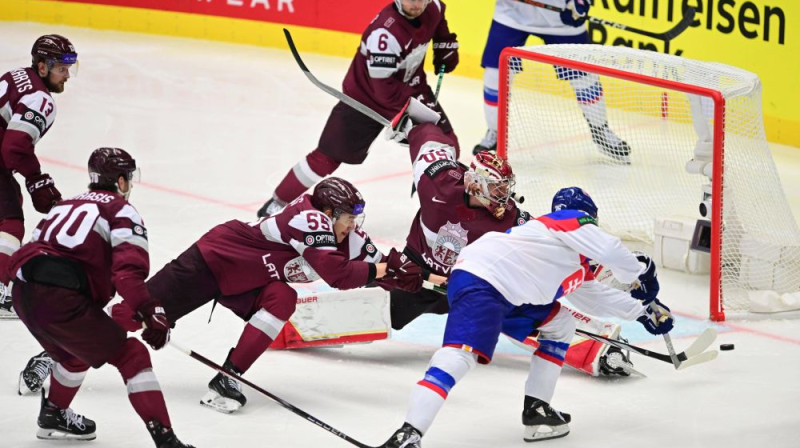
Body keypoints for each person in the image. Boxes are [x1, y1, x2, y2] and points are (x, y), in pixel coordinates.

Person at [381, 186, 674, 447]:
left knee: (561, 325)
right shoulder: (568, 221)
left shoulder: (563, 254)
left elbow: (593, 297)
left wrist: (642, 311)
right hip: (485, 281)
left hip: (506, 291)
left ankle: (537, 410)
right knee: (460, 356)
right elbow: (611, 249)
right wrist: (641, 273)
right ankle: (409, 433)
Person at [108, 177, 423, 414]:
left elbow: (384, 264)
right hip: (215, 259)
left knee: (282, 298)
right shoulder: (310, 218)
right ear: (328, 211)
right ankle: (63, 347)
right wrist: (385, 273)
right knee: (135, 314)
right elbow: (337, 276)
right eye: (348, 218)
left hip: (251, 281)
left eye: (356, 219)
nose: (353, 226)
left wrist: (414, 277)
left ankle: (228, 377)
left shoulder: (346, 233)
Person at [386, 100, 635, 377]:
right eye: (495, 188)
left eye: (505, 188)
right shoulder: (439, 184)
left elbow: (552, 247)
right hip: (420, 274)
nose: (503, 196)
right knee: (382, 310)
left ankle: (596, 349)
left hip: (480, 287)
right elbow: (430, 143)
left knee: (529, 309)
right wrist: (413, 124)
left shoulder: (511, 219)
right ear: (475, 184)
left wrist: (605, 272)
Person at [9, 148, 195, 447]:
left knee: (75, 353)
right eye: (129, 178)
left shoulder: (65, 205)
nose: (130, 184)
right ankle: (167, 441)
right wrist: (150, 311)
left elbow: (38, 246)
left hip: (22, 292)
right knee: (132, 355)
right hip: (60, 298)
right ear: (120, 181)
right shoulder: (121, 210)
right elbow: (127, 274)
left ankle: (54, 414)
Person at [256, 0, 460, 217]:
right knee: (327, 157)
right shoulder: (385, 34)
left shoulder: (434, 8)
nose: (417, 4)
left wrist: (444, 45)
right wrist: (404, 122)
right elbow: (384, 92)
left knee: (447, 145)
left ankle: (445, 211)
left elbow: (438, 26)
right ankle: (277, 202)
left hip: (412, 88)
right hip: (364, 100)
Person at [473, 0, 630, 163]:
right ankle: (495, 131)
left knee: (584, 77)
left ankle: (600, 130)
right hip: (511, 13)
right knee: (495, 74)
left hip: (561, 20)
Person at [0, 34, 77, 318]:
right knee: (9, 222)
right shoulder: (40, 99)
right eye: (61, 68)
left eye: (70, 68)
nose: (67, 75)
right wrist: (36, 181)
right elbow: (15, 148)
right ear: (42, 68)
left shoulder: (17, 75)